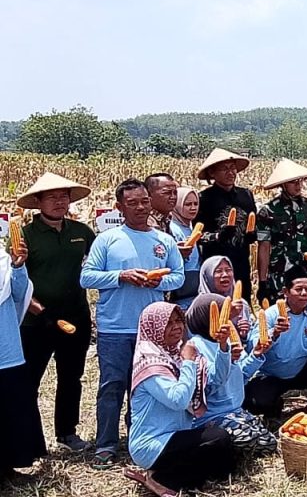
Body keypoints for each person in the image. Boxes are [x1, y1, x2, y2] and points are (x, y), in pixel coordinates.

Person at [81, 178, 185, 470]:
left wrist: (156, 279)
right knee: (112, 386)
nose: (140, 207)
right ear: (120, 207)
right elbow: (86, 277)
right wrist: (121, 276)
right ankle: (106, 444)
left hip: (152, 332)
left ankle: (139, 438)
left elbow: (178, 275)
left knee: (144, 389)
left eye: (144, 201)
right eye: (132, 203)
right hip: (114, 327)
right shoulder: (107, 239)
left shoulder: (163, 240)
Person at [17, 173, 95, 452]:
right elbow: (16, 279)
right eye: (52, 197)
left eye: (64, 196)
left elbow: (96, 266)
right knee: (29, 382)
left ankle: (67, 432)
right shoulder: (25, 236)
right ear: (37, 202)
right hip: (36, 320)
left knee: (71, 377)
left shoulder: (82, 232)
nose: (59, 201)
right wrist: (40, 310)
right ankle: (29, 440)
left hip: (76, 317)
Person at [125, 302, 234, 497]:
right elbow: (178, 400)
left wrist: (223, 346)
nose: (176, 327)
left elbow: (217, 379)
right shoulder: (150, 364)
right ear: (154, 327)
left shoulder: (175, 354)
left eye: (179, 321)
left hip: (176, 435)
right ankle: (161, 480)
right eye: (168, 323)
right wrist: (189, 363)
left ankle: (163, 475)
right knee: (219, 438)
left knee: (226, 463)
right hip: (152, 443)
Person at [243, 265, 307, 418]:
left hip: (301, 371)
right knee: (254, 402)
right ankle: (275, 406)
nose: (304, 293)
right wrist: (274, 333)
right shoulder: (271, 315)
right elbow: (254, 347)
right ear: (286, 292)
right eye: (298, 289)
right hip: (272, 374)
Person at [184, 297, 276, 454]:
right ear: (206, 317)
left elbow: (242, 376)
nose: (227, 320)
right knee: (248, 438)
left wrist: (255, 354)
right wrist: (224, 353)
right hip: (211, 416)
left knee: (269, 443)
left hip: (235, 411)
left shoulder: (230, 341)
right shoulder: (194, 347)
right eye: (221, 314)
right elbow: (210, 385)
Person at [0, 225, 44, 483]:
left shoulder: (4, 261)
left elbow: (20, 294)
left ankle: (8, 467)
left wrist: (18, 266)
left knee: (11, 411)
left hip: (7, 350)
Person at [256, 158, 307, 304]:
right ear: (283, 185)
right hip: (280, 275)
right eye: (293, 182)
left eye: (300, 181)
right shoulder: (268, 211)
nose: (298, 185)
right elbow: (264, 246)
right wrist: (262, 281)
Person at [195, 148, 257, 302]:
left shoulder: (246, 195)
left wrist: (252, 234)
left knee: (242, 301)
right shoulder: (204, 198)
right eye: (224, 169)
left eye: (233, 168)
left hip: (241, 259)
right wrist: (218, 236)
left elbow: (254, 222)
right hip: (216, 263)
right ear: (212, 173)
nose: (231, 173)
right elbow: (197, 234)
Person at [167, 187, 200, 309]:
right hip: (180, 291)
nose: (193, 208)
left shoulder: (190, 228)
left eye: (196, 204)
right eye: (188, 204)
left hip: (192, 290)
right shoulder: (173, 229)